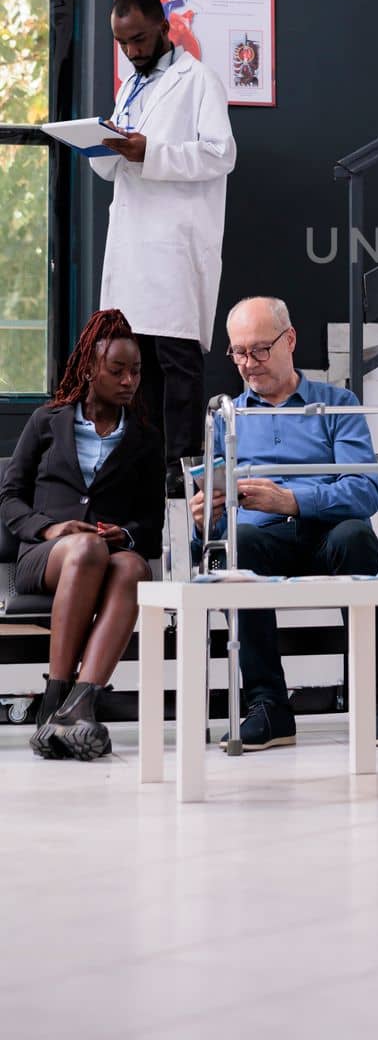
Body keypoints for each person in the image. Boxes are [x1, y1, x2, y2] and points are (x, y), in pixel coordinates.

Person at [190, 296, 378, 751]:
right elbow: (211, 527)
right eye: (239, 353)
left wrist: (289, 500)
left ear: (289, 340)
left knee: (357, 536)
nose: (248, 364)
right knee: (240, 542)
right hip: (260, 541)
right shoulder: (225, 418)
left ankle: (372, 702)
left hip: (328, 535)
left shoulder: (337, 405)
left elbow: (365, 491)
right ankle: (267, 706)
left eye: (259, 350)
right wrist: (202, 518)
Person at [0, 310, 164, 760]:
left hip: (108, 560)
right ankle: (54, 699)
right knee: (85, 547)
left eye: (136, 371)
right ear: (91, 369)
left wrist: (125, 535)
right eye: (117, 370)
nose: (129, 380)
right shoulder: (47, 421)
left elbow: (151, 524)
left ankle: (80, 705)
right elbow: (9, 498)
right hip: (44, 558)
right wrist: (51, 528)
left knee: (134, 566)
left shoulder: (146, 439)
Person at [95, 0, 236, 496]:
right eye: (122, 43)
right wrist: (102, 145)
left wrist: (148, 152)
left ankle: (183, 477)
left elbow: (220, 155)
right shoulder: (131, 87)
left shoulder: (198, 80)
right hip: (134, 251)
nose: (131, 51)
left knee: (177, 368)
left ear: (164, 28)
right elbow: (116, 164)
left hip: (176, 248)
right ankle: (145, 482)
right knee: (136, 370)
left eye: (138, 39)